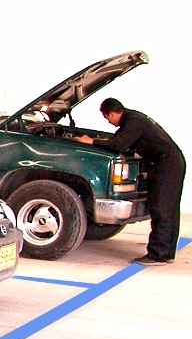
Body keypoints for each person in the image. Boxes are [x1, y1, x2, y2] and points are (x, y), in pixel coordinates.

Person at [75, 98, 186, 265]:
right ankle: (166, 253)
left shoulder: (133, 122)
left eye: (107, 118)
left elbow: (118, 145)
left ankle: (158, 254)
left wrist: (90, 141)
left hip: (166, 164)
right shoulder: (132, 119)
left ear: (111, 113)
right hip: (168, 162)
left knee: (161, 209)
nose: (108, 122)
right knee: (167, 209)